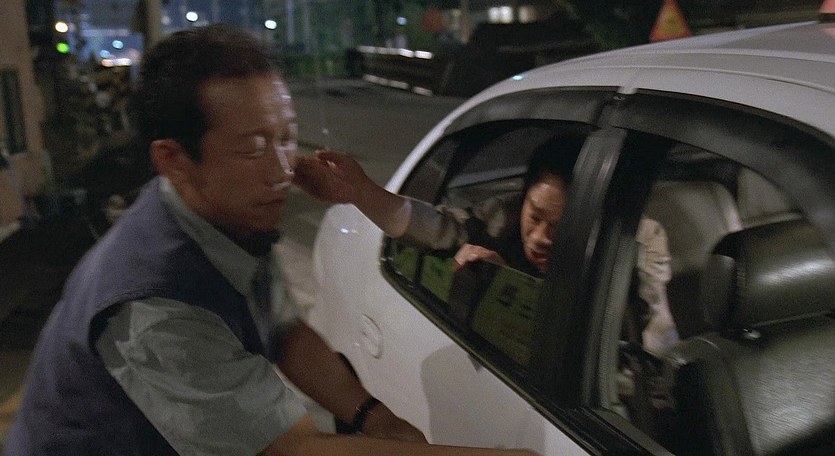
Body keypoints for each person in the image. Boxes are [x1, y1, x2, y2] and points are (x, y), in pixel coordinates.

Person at [5, 24, 537, 456]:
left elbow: (282, 329)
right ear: (173, 159)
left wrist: (373, 416)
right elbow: (285, 450)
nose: (282, 171)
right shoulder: (155, 305)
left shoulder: (216, 214)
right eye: (253, 148)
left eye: (286, 137)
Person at [294, 137, 679, 355]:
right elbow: (437, 228)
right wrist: (362, 192)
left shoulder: (638, 245)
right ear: (524, 197)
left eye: (562, 227)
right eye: (536, 216)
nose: (541, 237)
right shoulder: (501, 216)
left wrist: (512, 286)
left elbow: (647, 344)